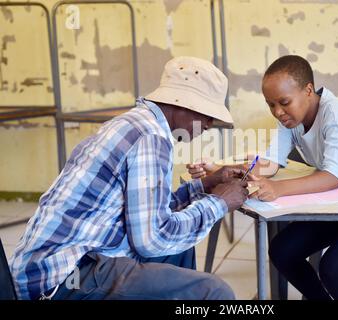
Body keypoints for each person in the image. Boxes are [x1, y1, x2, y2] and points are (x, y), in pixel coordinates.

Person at [10, 56, 249, 300]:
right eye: (207, 115)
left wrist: (205, 185)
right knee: (213, 292)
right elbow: (152, 240)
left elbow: (150, 214)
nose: (210, 124)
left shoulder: (138, 124)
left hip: (60, 263)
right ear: (183, 103)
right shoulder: (150, 138)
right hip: (60, 279)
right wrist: (219, 203)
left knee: (179, 248)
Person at [188, 55, 338, 300]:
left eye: (284, 102)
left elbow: (332, 176)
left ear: (308, 90)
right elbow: (269, 163)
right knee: (282, 251)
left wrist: (278, 189)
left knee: (334, 268)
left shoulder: (335, 114)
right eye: (271, 105)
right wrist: (218, 169)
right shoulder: (291, 120)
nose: (278, 112)